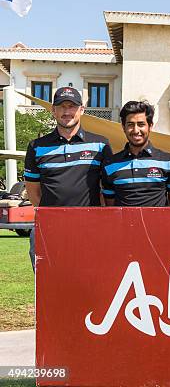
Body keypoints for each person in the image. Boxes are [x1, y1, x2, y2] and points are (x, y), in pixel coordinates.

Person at [24, 87, 112, 269]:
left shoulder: (101, 144)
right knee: (49, 285)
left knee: (90, 282)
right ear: (53, 110)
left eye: (72, 106)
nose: (67, 112)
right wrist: (51, 216)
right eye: (61, 106)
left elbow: (106, 188)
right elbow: (33, 191)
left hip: (90, 228)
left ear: (82, 109)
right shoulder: (36, 146)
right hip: (50, 228)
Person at [101, 101, 170, 207]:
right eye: (130, 124)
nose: (136, 130)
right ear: (123, 127)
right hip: (122, 224)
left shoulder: (169, 161)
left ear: (150, 126)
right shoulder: (109, 165)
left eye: (141, 124)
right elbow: (110, 208)